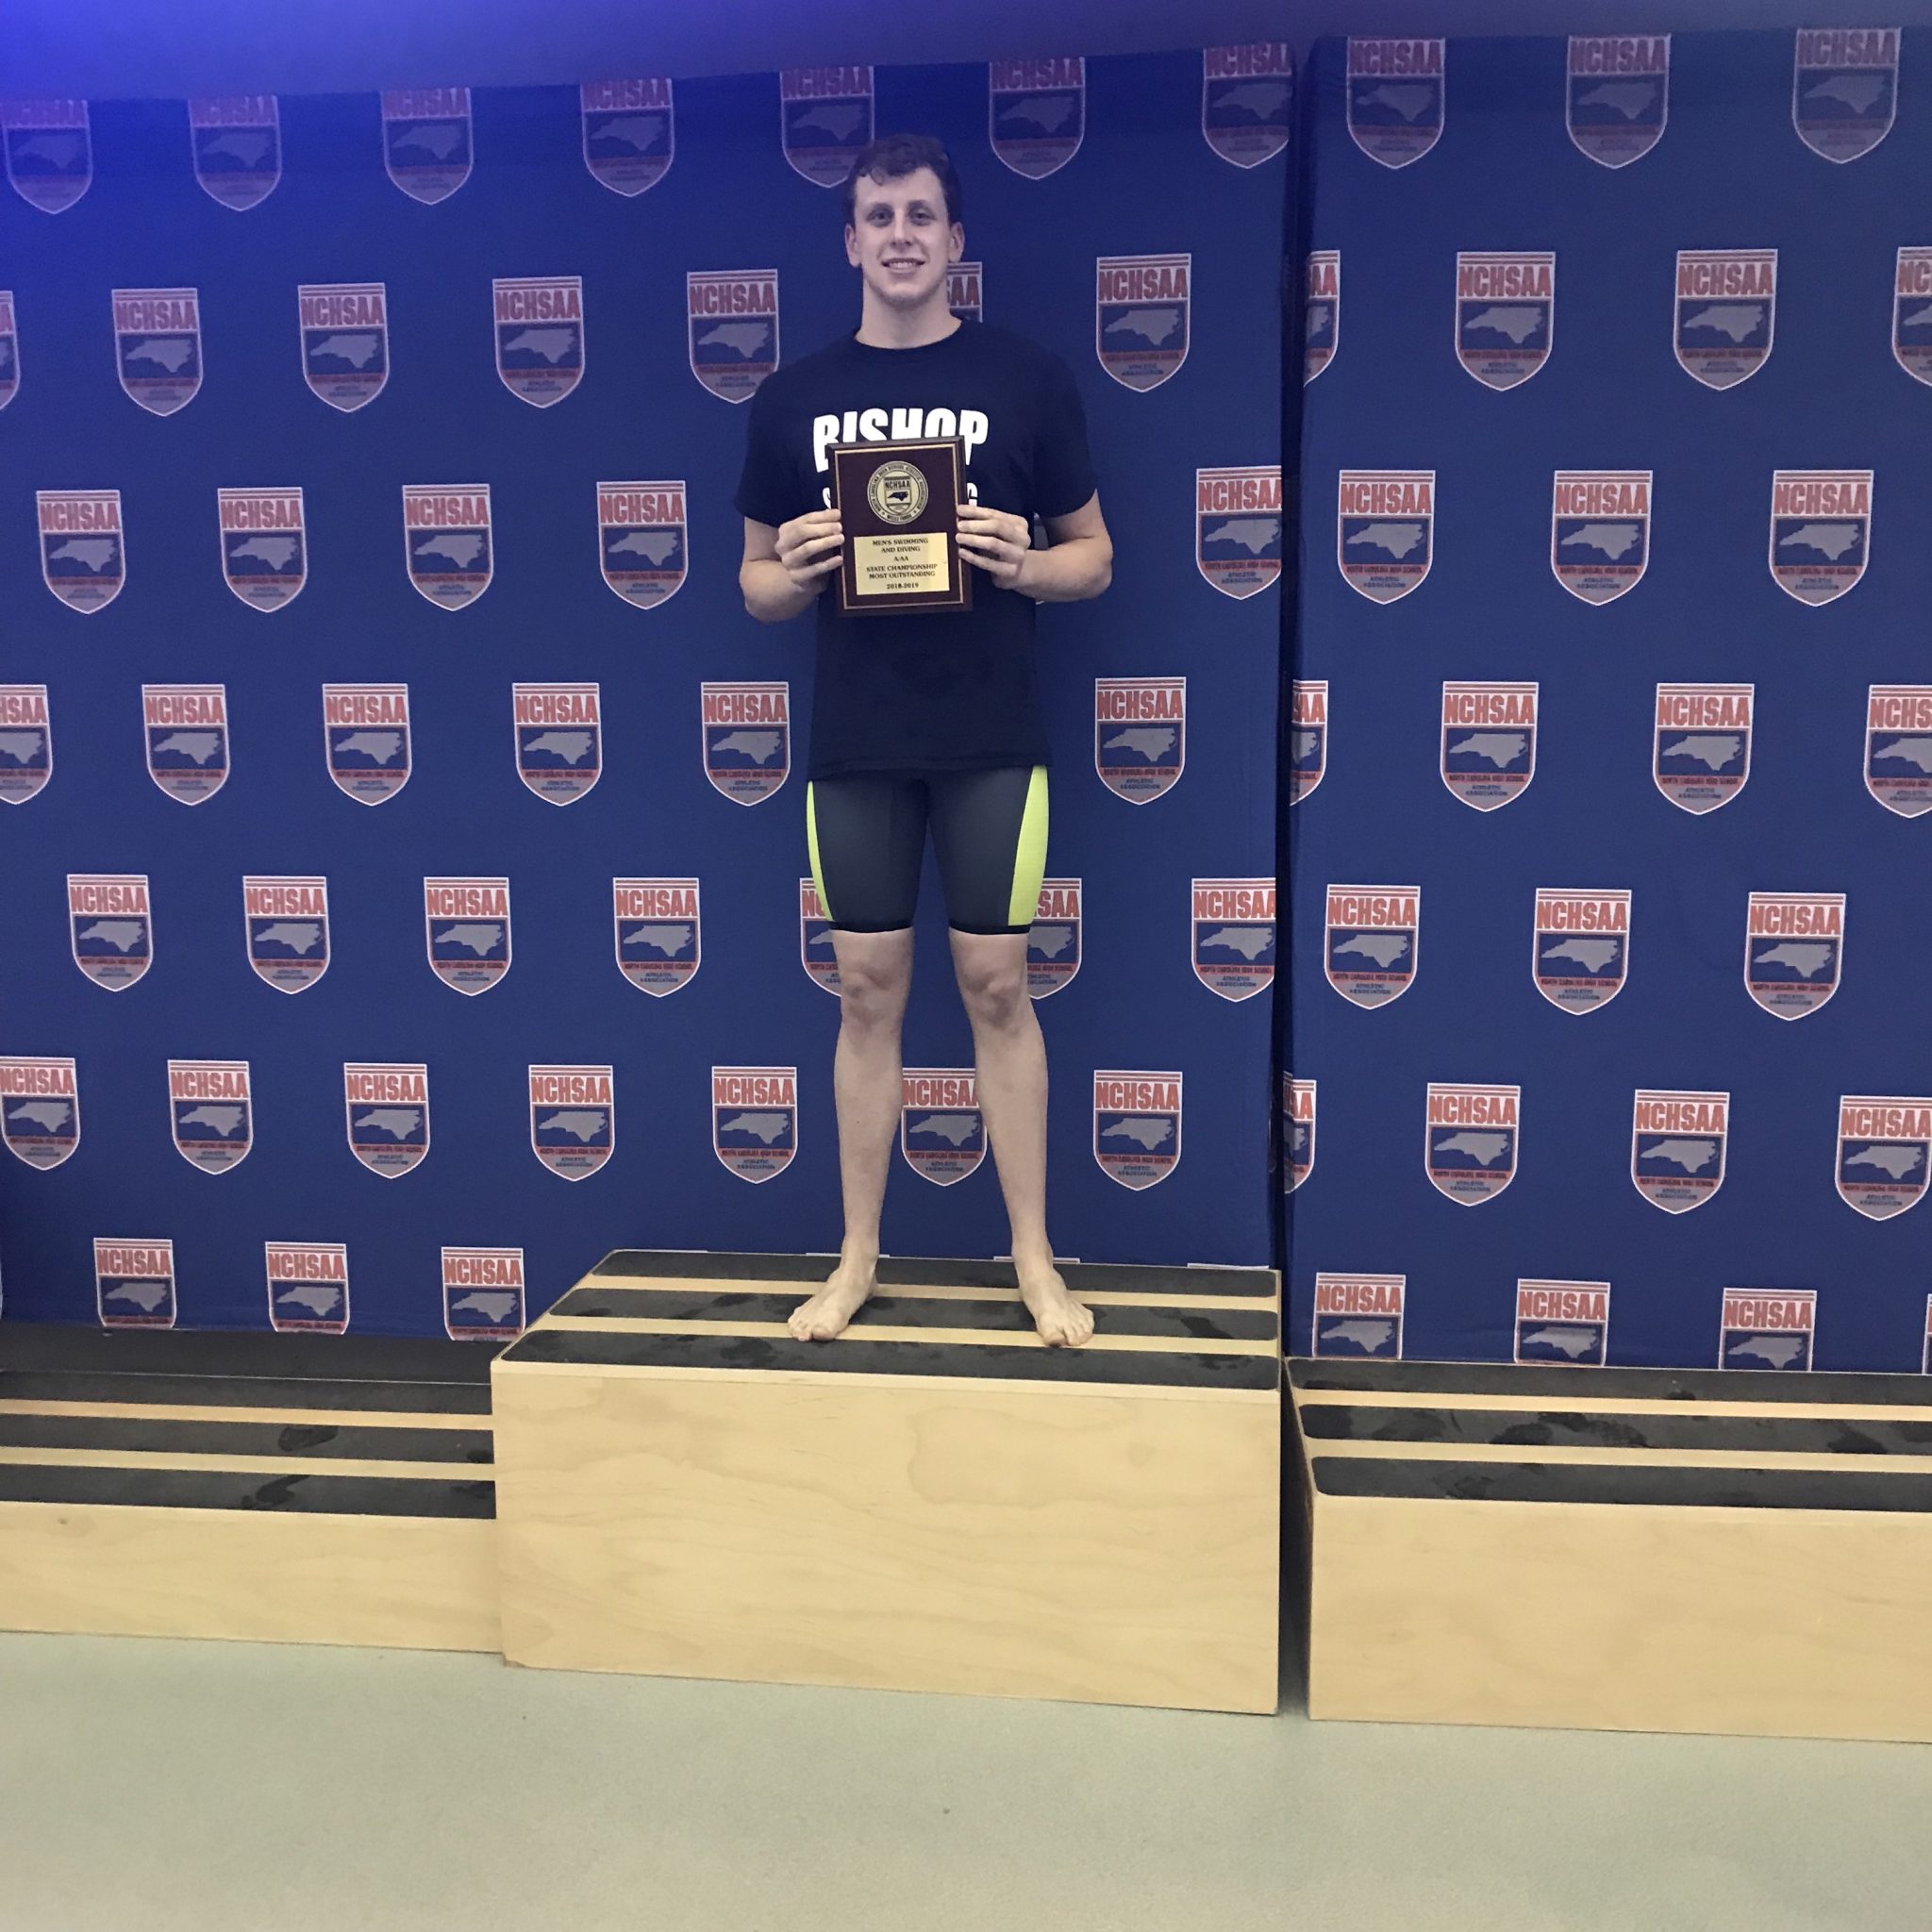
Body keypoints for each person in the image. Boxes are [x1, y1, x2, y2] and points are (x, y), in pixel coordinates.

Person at [735, 131, 1113, 1347]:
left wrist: (1026, 562)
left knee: (999, 987)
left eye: (921, 215)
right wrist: (794, 568)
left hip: (990, 734)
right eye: (879, 216)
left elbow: (1095, 557)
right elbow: (754, 583)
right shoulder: (791, 397)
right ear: (850, 242)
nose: (900, 235)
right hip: (858, 741)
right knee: (866, 992)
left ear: (956, 239)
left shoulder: (1029, 378)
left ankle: (1034, 1258)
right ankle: (855, 1257)